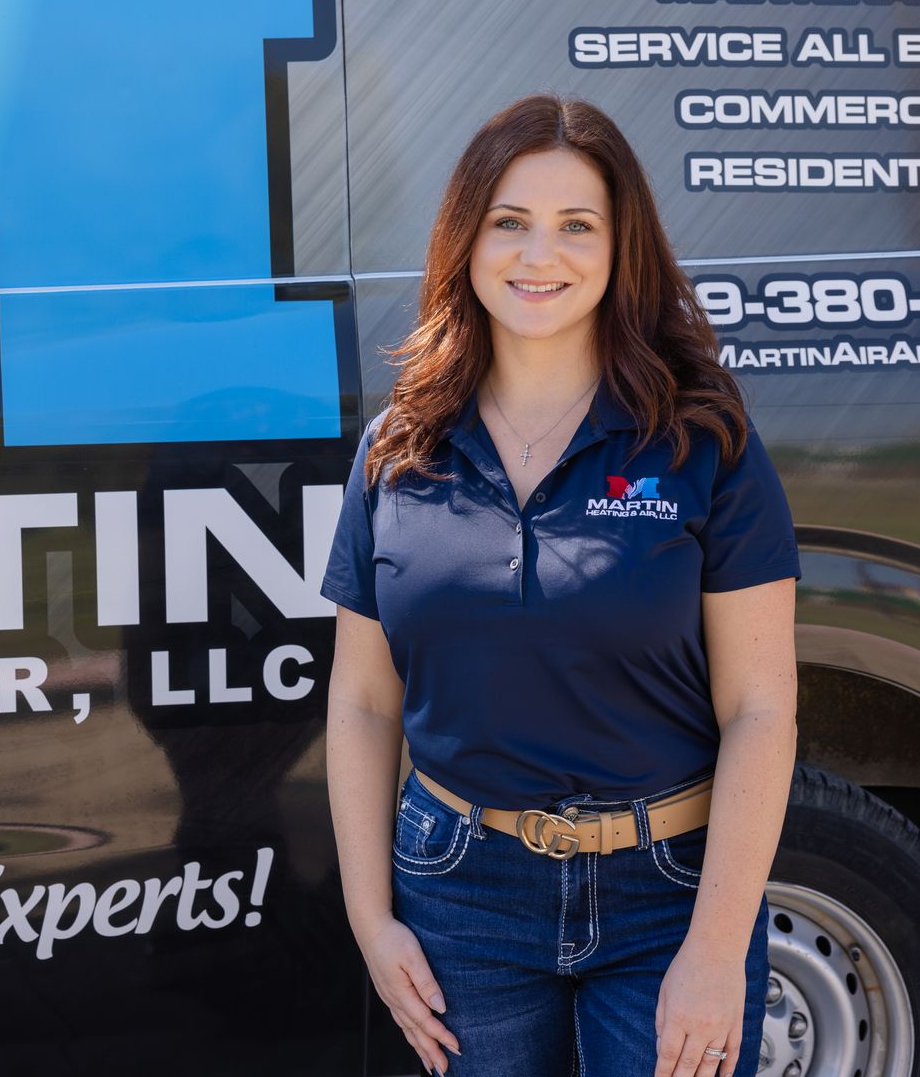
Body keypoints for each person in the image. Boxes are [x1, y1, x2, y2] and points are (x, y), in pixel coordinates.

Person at [322, 94, 800, 1077]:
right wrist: (373, 923)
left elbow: (760, 710)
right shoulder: (398, 450)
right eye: (510, 222)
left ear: (622, 248)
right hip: (462, 893)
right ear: (466, 238)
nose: (540, 256)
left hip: (670, 891)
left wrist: (714, 953)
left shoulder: (702, 438)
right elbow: (364, 703)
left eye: (576, 226)